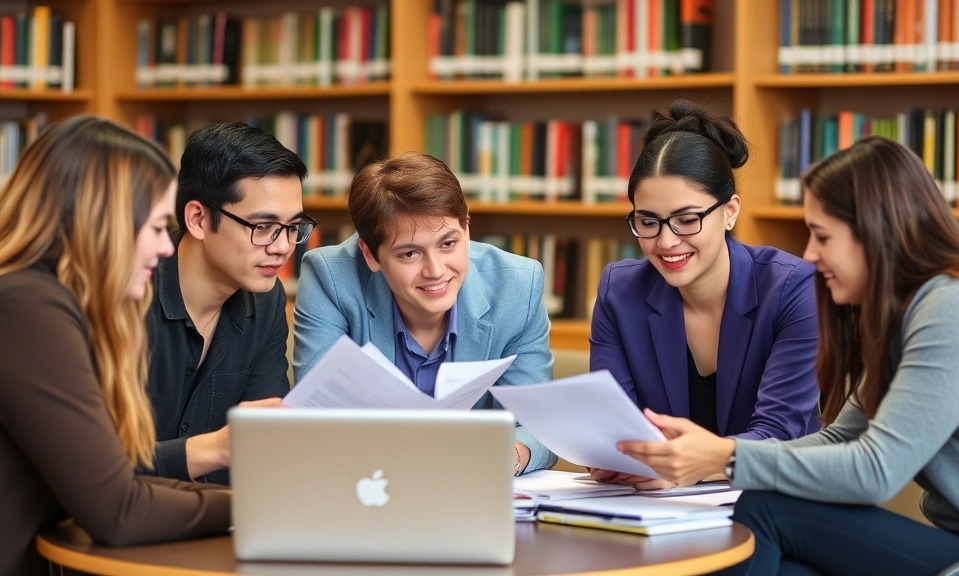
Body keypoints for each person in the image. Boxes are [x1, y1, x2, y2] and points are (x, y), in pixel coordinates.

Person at [619, 136, 959, 574]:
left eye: (822, 236)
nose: (810, 254)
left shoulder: (957, 304)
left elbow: (876, 470)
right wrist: (708, 455)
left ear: (876, 231)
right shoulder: (908, 311)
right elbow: (839, 438)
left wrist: (724, 458)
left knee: (764, 509)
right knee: (787, 564)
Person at [0, 115, 230, 575]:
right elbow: (118, 511)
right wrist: (253, 512)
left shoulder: (40, 302)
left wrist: (241, 504)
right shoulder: (28, 308)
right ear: (105, 221)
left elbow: (119, 479)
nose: (167, 248)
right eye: (158, 226)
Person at [588, 100, 820, 489]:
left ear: (730, 212)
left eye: (686, 220)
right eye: (648, 221)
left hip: (772, 501)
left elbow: (781, 433)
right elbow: (616, 426)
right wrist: (619, 457)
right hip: (654, 507)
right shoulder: (620, 291)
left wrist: (683, 467)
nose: (666, 241)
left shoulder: (793, 289)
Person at [293, 152, 557, 475]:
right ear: (370, 255)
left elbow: (538, 427)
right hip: (367, 486)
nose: (435, 271)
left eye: (448, 244)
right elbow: (318, 418)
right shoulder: (331, 279)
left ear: (467, 229)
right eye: (409, 253)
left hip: (467, 495)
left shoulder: (517, 286)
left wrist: (510, 455)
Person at [144, 122, 313, 485]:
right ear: (198, 219)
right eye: (264, 226)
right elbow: (94, 461)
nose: (283, 247)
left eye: (293, 227)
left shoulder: (266, 302)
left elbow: (264, 446)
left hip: (216, 524)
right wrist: (214, 449)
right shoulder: (130, 295)